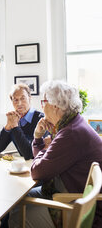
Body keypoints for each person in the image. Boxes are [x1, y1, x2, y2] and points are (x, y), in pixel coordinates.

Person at [9, 80, 102, 228]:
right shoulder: (74, 124)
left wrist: (40, 142)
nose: (42, 107)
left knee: (16, 208)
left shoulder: (70, 133)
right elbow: (43, 163)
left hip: (76, 206)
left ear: (55, 106)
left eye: (43, 102)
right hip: (74, 194)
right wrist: (39, 141)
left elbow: (37, 172)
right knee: (17, 199)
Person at [0, 83, 50, 160]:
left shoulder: (41, 120)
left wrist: (15, 127)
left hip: (38, 165)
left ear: (29, 98)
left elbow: (29, 154)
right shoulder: (14, 119)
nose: (19, 103)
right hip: (21, 166)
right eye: (15, 100)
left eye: (23, 98)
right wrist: (8, 127)